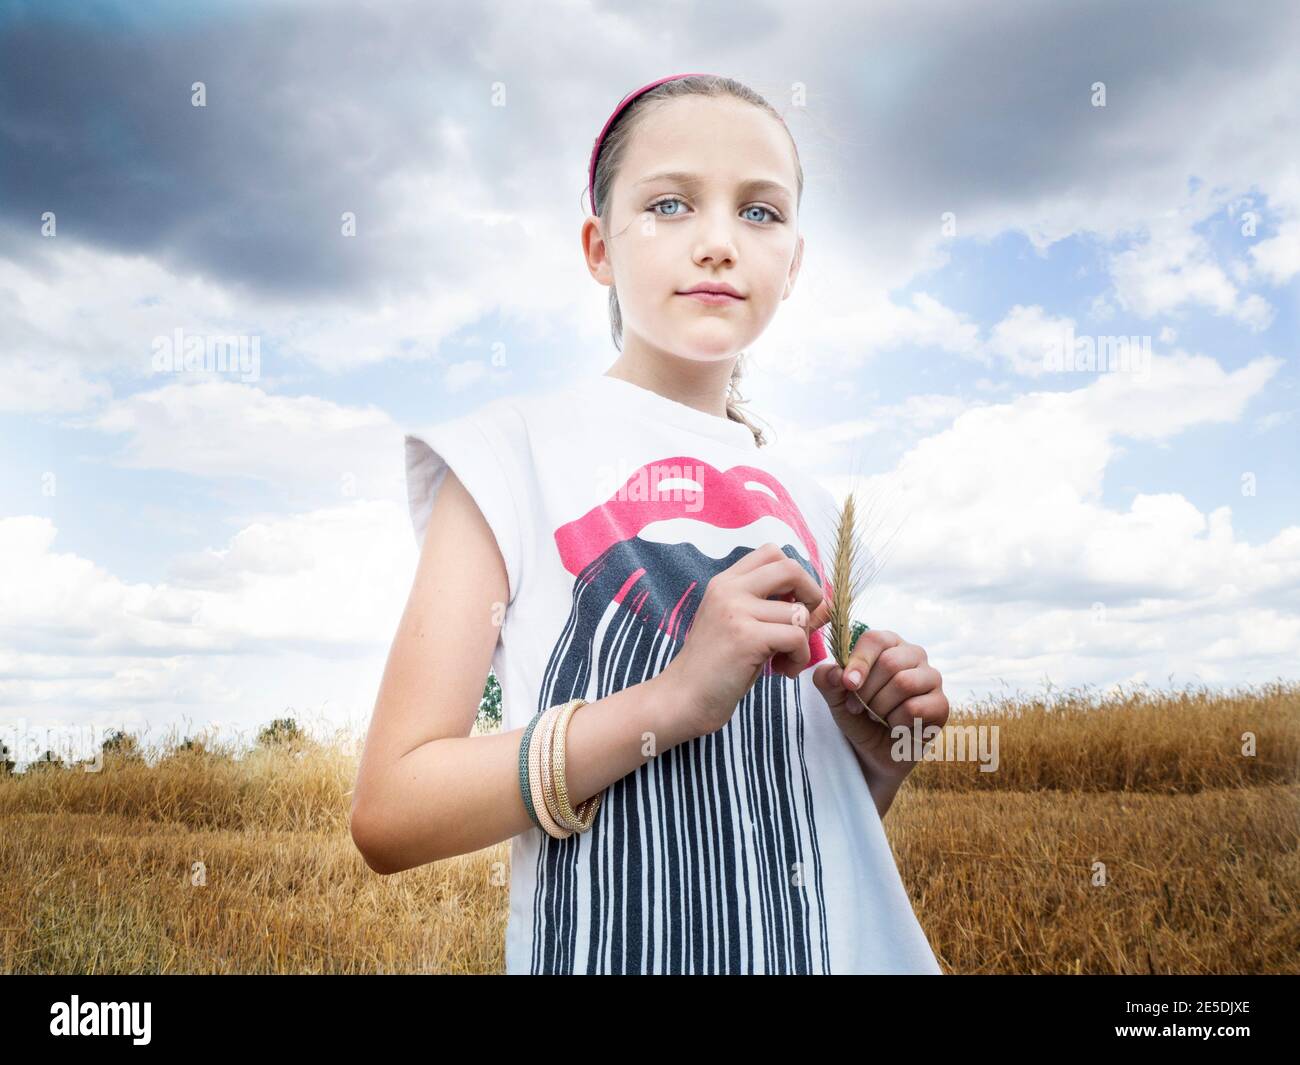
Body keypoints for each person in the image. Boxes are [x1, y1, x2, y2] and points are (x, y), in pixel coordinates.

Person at [351, 73, 949, 974]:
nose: (717, 242)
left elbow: (800, 831)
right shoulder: (509, 454)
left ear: (795, 262)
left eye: (760, 213)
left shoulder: (813, 503)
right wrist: (668, 702)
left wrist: (873, 760)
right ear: (599, 247)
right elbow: (391, 811)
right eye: (670, 204)